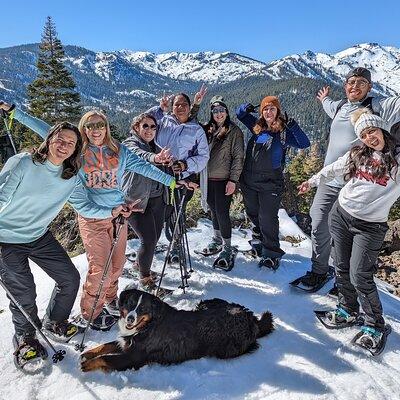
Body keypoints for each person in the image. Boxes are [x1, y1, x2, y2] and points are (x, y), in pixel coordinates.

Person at [1, 103, 175, 330]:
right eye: (90, 125)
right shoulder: (78, 151)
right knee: (99, 268)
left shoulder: (119, 151)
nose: (96, 129)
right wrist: (16, 113)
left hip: (119, 216)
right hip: (92, 217)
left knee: (117, 264)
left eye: (100, 125)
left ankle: (110, 298)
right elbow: (47, 131)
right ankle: (91, 311)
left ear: (106, 128)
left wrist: (170, 181)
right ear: (84, 129)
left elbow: (144, 167)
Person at [0, 121, 127, 366]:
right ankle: (26, 337)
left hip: (38, 235)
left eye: (71, 143)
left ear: (76, 149)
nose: (64, 146)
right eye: (60, 139)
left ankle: (54, 321)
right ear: (49, 139)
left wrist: (113, 211)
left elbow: (85, 206)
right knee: (23, 291)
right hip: (6, 238)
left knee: (69, 277)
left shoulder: (70, 177)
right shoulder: (24, 163)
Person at [298, 109, 397, 352]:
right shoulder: (357, 153)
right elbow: (331, 169)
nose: (369, 137)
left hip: (371, 226)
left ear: (382, 128)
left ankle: (375, 324)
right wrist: (310, 182)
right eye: (363, 134)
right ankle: (348, 309)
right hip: (341, 214)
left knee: (359, 275)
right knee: (341, 267)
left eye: (372, 131)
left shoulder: (396, 159)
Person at [296, 67, 400, 292]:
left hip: (356, 187)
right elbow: (329, 106)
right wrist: (324, 99)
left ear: (369, 87)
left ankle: (345, 284)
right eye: (351, 82)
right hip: (329, 180)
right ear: (345, 85)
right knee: (318, 225)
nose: (355, 86)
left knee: (348, 237)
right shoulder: (340, 106)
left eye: (361, 82)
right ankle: (319, 271)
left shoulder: (378, 106)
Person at [122, 113, 193, 293]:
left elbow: (165, 173)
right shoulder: (130, 144)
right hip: (136, 201)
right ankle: (145, 280)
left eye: (153, 127)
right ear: (136, 128)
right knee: (149, 239)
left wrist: (177, 174)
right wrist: (156, 158)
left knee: (154, 237)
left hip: (158, 200)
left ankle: (140, 265)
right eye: (145, 126)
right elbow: (140, 156)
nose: (150, 130)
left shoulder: (157, 147)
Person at [236, 96, 310, 269]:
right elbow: (239, 114)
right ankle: (260, 244)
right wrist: (246, 107)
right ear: (261, 112)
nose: (269, 112)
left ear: (278, 111)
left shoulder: (283, 132)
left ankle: (271, 253)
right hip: (249, 179)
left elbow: (304, 143)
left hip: (271, 181)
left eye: (272, 109)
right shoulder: (257, 127)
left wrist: (293, 126)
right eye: (265, 109)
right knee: (253, 213)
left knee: (268, 217)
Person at [146, 87, 209, 261]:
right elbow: (141, 124)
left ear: (190, 107)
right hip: (158, 175)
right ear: (172, 107)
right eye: (177, 104)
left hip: (182, 177)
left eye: (184, 104)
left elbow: (204, 156)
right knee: (158, 211)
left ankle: (176, 244)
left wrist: (185, 164)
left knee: (177, 212)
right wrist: (159, 109)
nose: (180, 107)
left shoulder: (196, 130)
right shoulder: (163, 121)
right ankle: (150, 243)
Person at [199, 95, 244, 267]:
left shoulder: (234, 131)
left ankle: (227, 246)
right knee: (213, 209)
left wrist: (233, 180)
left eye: (222, 110)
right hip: (208, 178)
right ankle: (217, 238)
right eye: (215, 111)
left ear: (226, 112)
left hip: (224, 179)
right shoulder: (206, 129)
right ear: (211, 113)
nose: (219, 114)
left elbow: (238, 157)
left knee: (222, 212)